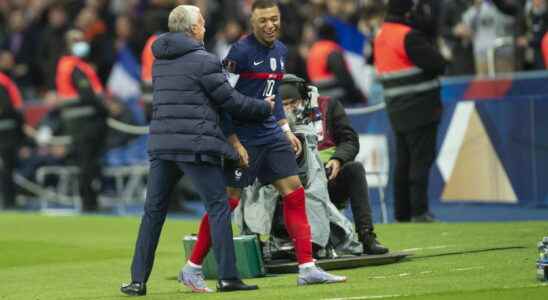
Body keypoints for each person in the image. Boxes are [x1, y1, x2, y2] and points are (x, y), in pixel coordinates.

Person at [183, 0, 347, 288]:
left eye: (274, 19)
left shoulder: (282, 51)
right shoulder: (239, 53)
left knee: (295, 192)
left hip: (271, 135)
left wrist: (285, 129)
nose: (270, 25)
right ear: (252, 23)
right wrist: (232, 140)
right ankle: (192, 267)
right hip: (244, 138)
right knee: (227, 202)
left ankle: (307, 267)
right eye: (263, 21)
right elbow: (222, 100)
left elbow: (273, 96)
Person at [120, 5, 275, 296]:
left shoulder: (160, 60)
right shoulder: (204, 60)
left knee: (152, 213)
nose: (205, 28)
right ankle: (228, 277)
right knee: (218, 208)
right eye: (202, 23)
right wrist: (264, 108)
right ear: (192, 29)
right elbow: (230, 101)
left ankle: (138, 281)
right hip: (195, 145)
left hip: (163, 145)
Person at [279, 74, 388, 255]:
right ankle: (277, 242)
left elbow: (349, 140)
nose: (289, 108)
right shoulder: (270, 114)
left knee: (354, 169)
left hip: (329, 176)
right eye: (284, 104)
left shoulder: (328, 105)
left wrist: (338, 159)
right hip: (294, 182)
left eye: (293, 102)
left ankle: (367, 236)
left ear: (303, 97)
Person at [373, 0, 446, 223]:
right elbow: (438, 63)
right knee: (420, 161)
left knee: (403, 162)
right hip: (420, 107)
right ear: (409, 11)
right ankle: (420, 212)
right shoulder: (408, 36)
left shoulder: (381, 35)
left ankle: (402, 214)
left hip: (396, 108)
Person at [55, 29, 109, 212]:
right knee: (88, 162)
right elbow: (88, 95)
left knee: (86, 162)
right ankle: (89, 202)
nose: (81, 43)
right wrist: (106, 110)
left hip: (77, 121)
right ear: (68, 43)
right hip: (86, 121)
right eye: (76, 40)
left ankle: (89, 200)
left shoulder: (69, 65)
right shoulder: (74, 67)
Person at [306, 20, 367, 106]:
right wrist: (358, 97)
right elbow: (344, 79)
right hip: (336, 100)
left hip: (319, 100)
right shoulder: (330, 50)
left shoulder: (313, 50)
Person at [0, 70, 24, 209]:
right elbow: (8, 106)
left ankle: (9, 200)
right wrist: (20, 122)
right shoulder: (3, 81)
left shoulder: (6, 80)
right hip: (6, 131)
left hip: (7, 129)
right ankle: (9, 201)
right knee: (7, 168)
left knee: (7, 168)